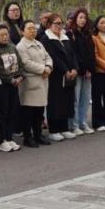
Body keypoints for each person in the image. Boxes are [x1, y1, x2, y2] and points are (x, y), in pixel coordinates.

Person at [16, 20, 53, 148]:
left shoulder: (38, 43)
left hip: (42, 81)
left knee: (39, 112)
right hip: (30, 83)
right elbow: (26, 63)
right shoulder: (21, 46)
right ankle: (28, 137)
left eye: (34, 28)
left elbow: (48, 57)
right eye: (29, 28)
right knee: (28, 113)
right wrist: (43, 69)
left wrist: (48, 67)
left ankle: (38, 135)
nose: (33, 30)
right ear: (22, 31)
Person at [0, 24, 24, 152]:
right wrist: (11, 80)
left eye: (6, 34)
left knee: (12, 111)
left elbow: (20, 64)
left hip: (14, 84)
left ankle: (9, 138)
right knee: (2, 113)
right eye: (2, 35)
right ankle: (2, 140)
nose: (5, 37)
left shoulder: (12, 47)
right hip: (1, 86)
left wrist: (20, 77)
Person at [42, 13, 77, 142]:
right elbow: (53, 57)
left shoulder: (65, 37)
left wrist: (74, 68)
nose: (59, 26)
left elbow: (72, 54)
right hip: (55, 75)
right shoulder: (46, 38)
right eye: (56, 23)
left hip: (68, 75)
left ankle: (64, 128)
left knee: (66, 101)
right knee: (55, 102)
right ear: (49, 25)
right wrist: (65, 70)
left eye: (60, 23)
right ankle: (54, 130)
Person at [67, 9, 94, 138]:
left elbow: (91, 53)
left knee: (85, 98)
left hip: (87, 71)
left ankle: (83, 122)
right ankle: (74, 124)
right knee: (75, 99)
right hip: (77, 71)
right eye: (80, 17)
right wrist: (81, 69)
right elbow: (73, 54)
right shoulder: (70, 33)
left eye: (84, 18)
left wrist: (90, 69)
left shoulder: (88, 34)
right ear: (75, 19)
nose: (83, 20)